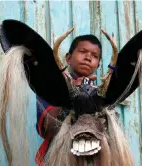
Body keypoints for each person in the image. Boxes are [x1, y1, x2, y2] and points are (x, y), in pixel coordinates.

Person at [35, 34, 102, 165]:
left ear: (98, 65)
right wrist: (72, 93)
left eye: (94, 56)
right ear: (68, 58)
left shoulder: (100, 93)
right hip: (58, 158)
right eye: (83, 52)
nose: (88, 58)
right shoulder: (50, 87)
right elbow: (47, 129)